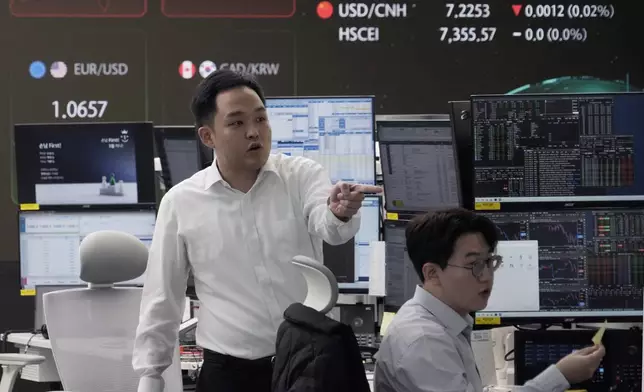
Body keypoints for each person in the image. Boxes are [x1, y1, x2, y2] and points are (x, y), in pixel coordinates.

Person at [132, 69, 381, 392]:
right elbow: (162, 297)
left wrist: (340, 212)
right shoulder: (181, 202)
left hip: (309, 365)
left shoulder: (301, 176)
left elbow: (330, 227)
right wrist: (150, 377)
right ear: (208, 137)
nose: (254, 132)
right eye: (237, 123)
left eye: (261, 119)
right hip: (230, 375)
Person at [374, 208, 605, 392]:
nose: (486, 275)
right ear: (432, 273)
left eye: (489, 261)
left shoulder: (440, 322)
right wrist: (561, 376)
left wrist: (559, 374)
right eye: (474, 264)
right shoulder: (424, 342)